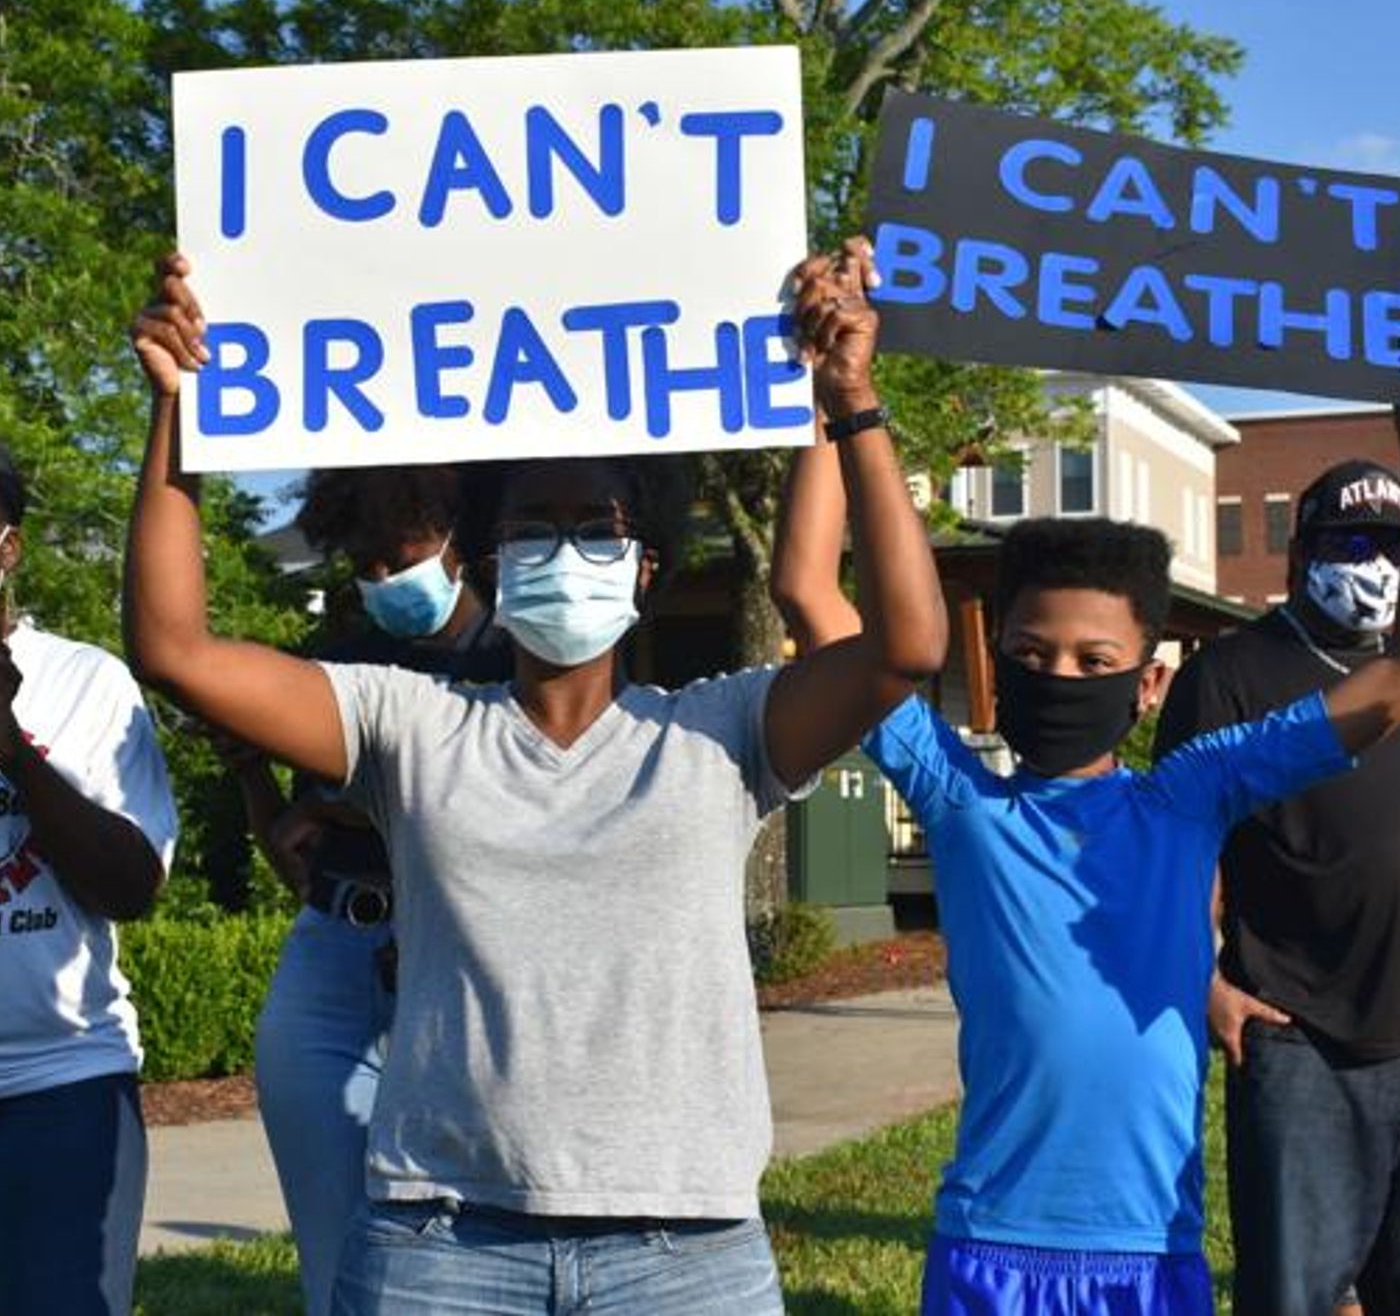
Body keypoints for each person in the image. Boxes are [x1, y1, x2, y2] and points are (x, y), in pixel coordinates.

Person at [124, 238, 944, 1313]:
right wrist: (182, 413)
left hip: (684, 1246)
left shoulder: (722, 730)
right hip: (440, 1240)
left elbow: (904, 645)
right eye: (530, 527)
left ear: (644, 564)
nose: (563, 548)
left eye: (592, 526)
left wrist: (849, 400)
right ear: (486, 558)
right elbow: (174, 647)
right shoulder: (405, 723)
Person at [772, 428, 1400, 1316]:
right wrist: (842, 411)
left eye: (1094, 662)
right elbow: (806, 591)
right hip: (988, 1249)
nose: (1060, 676)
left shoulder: (1192, 795)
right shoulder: (960, 801)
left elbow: (1379, 694)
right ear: (994, 665)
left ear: (1147, 686)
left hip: (1151, 1259)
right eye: (1031, 656)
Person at [223, 465, 511, 1316]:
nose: (385, 579)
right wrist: (253, 780)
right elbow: (300, 856)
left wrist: (359, 816)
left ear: (457, 537)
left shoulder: (518, 654)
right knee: (338, 1260)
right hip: (333, 957)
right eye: (367, 563)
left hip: (462, 971)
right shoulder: (342, 659)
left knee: (474, 1246)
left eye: (401, 554)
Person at [1154, 458, 1400, 1316]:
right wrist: (1207, 984)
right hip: (1297, 1035)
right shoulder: (1226, 674)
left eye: (1393, 544)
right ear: (1301, 554)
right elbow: (1180, 852)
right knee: (1291, 1296)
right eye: (1351, 541)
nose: (1375, 563)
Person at [0, 444, 179, 1315]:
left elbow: (131, 887)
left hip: (60, 1083)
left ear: (8, 548)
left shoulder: (86, 682)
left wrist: (12, 746)